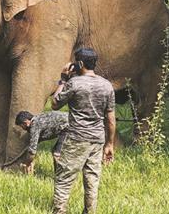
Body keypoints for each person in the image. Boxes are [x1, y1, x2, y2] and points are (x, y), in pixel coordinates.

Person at [51, 48, 116, 214]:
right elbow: (110, 118)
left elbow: (55, 104)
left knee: (64, 178)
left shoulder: (74, 83)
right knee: (92, 181)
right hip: (98, 140)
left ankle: (59, 211)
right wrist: (109, 144)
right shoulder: (107, 85)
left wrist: (63, 79)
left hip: (77, 139)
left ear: (79, 64)